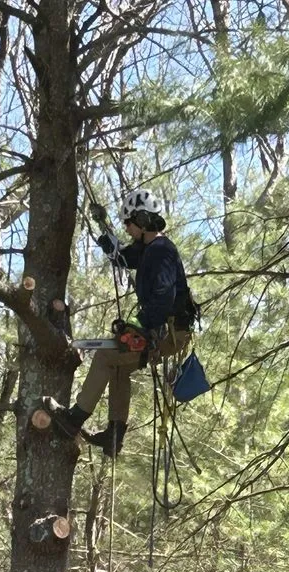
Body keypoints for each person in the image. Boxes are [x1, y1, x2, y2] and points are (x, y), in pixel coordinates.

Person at [52, 188, 196, 457]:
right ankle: (114, 434)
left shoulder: (161, 251)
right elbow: (124, 257)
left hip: (170, 332)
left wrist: (140, 324)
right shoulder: (150, 248)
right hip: (165, 330)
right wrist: (104, 231)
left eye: (129, 224)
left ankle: (74, 419)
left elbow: (164, 296)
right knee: (118, 366)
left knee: (107, 356)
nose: (127, 229)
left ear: (141, 221)